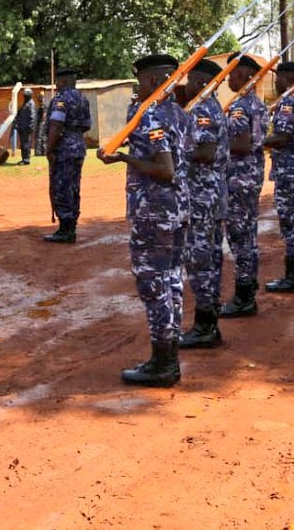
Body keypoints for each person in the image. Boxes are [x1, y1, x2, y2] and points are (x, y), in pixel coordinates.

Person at [98, 53, 190, 387]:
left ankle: (163, 363)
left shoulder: (150, 115)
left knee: (154, 285)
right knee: (172, 283)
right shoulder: (179, 113)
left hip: (154, 212)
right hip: (177, 209)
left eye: (141, 80)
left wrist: (123, 157)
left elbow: (164, 169)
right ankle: (169, 358)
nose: (138, 87)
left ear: (153, 81)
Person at [179, 59, 229, 349]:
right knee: (209, 257)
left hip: (201, 195)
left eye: (189, 81)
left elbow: (206, 152)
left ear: (199, 82)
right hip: (209, 193)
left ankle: (205, 327)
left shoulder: (203, 109)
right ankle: (208, 321)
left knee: (199, 261)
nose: (185, 86)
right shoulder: (209, 107)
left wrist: (173, 150)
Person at [220, 54, 270, 317]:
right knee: (247, 235)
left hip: (239, 178)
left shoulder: (241, 106)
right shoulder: (258, 104)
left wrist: (216, 146)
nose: (228, 78)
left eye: (232, 73)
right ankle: (247, 291)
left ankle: (244, 297)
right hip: (250, 177)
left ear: (246, 76)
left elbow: (241, 144)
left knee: (239, 237)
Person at [264, 61, 294, 293]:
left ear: (290, 78)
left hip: (291, 173)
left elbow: (282, 138)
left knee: (291, 224)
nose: (276, 81)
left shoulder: (288, 103)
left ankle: (293, 277)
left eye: (279, 77)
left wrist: (257, 143)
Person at [43, 69, 92, 243]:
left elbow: (56, 124)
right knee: (73, 187)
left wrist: (49, 148)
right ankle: (71, 225)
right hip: (78, 145)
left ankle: (65, 230)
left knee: (61, 187)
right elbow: (87, 125)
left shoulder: (61, 98)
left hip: (64, 148)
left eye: (58, 82)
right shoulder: (82, 98)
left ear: (62, 82)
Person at [13, 87, 36, 165]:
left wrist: (30, 127)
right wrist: (17, 124)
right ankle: (24, 158)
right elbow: (20, 115)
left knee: (26, 144)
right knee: (23, 144)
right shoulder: (25, 104)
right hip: (22, 127)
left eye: (26, 95)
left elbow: (32, 116)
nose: (24, 96)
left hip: (26, 128)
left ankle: (26, 159)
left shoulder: (31, 104)